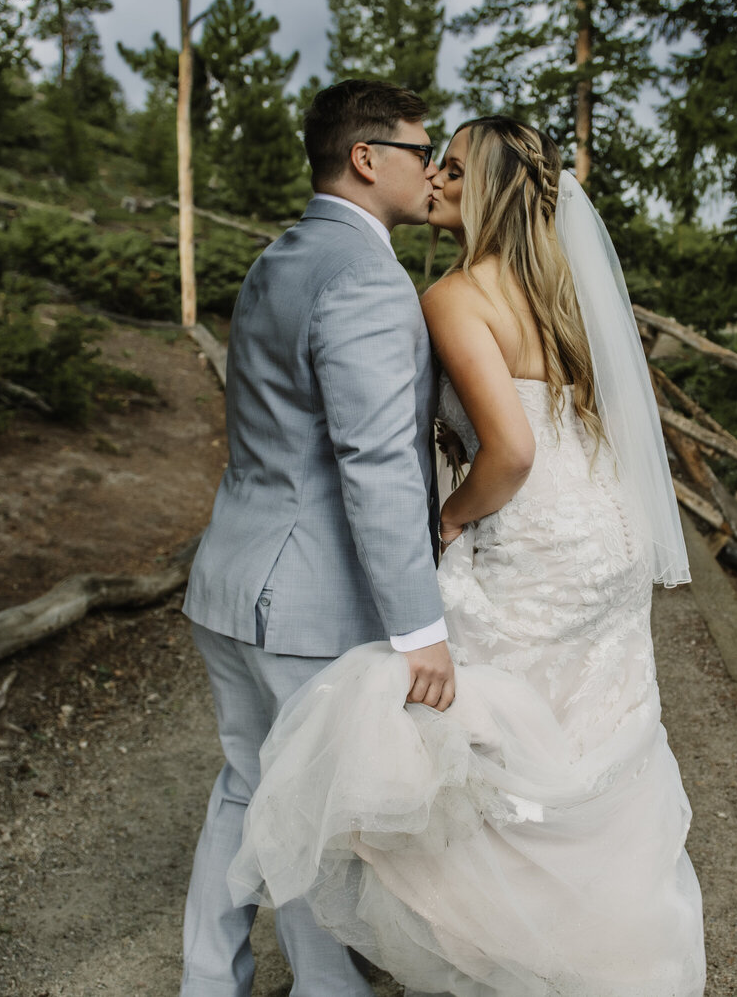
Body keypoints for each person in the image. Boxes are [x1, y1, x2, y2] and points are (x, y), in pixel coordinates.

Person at [229, 115, 707, 997]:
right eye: (435, 163)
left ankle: (510, 951)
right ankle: (604, 947)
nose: (437, 180)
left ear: (486, 186)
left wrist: (451, 515)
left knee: (478, 732)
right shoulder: (560, 288)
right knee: (588, 731)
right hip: (603, 535)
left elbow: (513, 452)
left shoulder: (455, 296)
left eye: (452, 167)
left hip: (532, 534)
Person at [179, 78, 459, 997]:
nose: (436, 168)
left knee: (246, 788)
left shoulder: (280, 257)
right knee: (313, 809)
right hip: (299, 602)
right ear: (368, 158)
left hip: (229, 577)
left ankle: (210, 981)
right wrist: (420, 628)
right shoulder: (368, 279)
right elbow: (374, 462)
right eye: (424, 150)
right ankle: (328, 989)